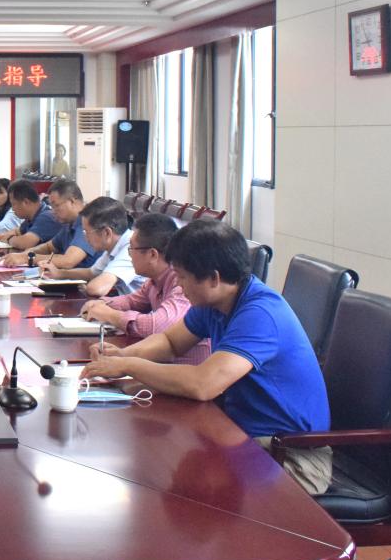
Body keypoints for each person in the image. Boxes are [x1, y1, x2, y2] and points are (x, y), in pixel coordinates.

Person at [83, 219, 332, 495]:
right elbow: (170, 342)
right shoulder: (215, 301)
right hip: (242, 434)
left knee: (177, 481)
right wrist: (121, 356)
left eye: (182, 277)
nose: (179, 285)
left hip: (291, 454)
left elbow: (203, 384)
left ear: (213, 278)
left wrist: (129, 365)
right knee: (162, 464)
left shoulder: (260, 314)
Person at [79, 213, 210, 364]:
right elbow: (132, 301)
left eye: (132, 249)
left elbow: (156, 326)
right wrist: (102, 303)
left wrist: (108, 314)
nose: (129, 255)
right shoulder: (156, 279)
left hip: (182, 371)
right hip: (163, 366)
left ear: (152, 254)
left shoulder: (182, 281)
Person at [42, 197, 144, 297]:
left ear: (106, 233)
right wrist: (59, 273)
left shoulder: (131, 248)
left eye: (87, 232)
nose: (85, 238)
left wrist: (88, 288)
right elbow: (91, 273)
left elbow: (97, 289)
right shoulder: (114, 246)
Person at [7, 179, 99, 268]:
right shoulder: (68, 224)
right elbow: (49, 247)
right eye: (52, 206)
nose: (53, 211)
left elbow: (68, 261)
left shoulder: (88, 222)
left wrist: (27, 258)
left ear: (71, 201)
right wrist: (26, 254)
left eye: (56, 206)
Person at [0, 179, 61, 254]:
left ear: (26, 202)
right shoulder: (31, 218)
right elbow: (16, 231)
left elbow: (25, 243)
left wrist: (9, 239)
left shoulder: (46, 216)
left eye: (13, 204)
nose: (12, 209)